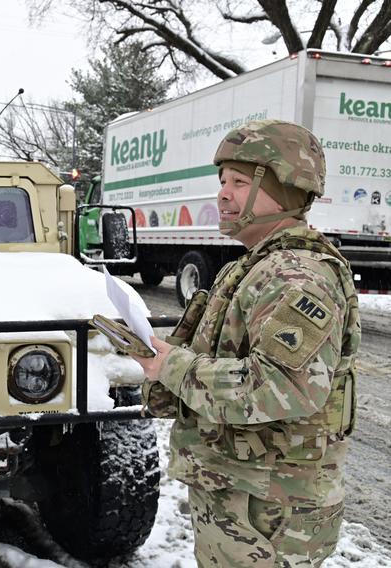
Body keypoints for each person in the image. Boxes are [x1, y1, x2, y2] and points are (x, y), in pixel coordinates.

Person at [134, 120, 360, 567]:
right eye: (221, 181)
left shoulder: (296, 276)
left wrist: (173, 368)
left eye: (239, 182)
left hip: (270, 511)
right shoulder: (257, 266)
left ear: (288, 191)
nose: (222, 193)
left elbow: (283, 386)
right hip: (245, 496)